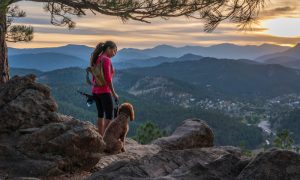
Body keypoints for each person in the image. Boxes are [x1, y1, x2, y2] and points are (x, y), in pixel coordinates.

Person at [90, 41, 119, 136]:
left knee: (100, 114)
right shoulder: (106, 59)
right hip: (104, 91)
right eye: (114, 51)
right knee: (109, 116)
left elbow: (94, 77)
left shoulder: (97, 58)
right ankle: (106, 138)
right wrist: (114, 93)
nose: (114, 54)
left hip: (95, 91)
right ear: (108, 48)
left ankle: (100, 137)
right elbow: (108, 79)